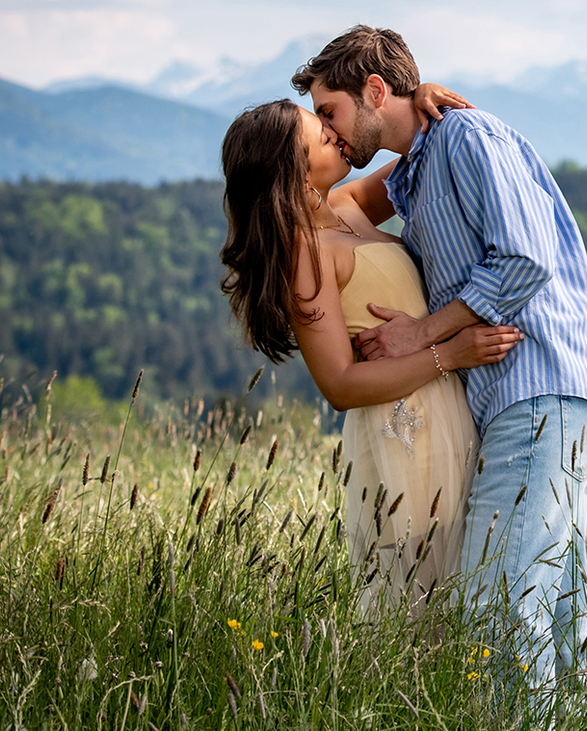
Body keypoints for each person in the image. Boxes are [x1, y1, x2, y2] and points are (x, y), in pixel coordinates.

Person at [290, 26, 587, 703]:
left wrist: (427, 336)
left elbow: (526, 259)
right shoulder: (417, 167)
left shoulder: (467, 138)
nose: (330, 131)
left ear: (374, 91)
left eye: (331, 111)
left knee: (499, 601)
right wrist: (417, 106)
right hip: (507, 397)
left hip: (539, 382)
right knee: (556, 603)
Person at [220, 94, 524, 609]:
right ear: (292, 166)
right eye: (320, 134)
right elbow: (339, 384)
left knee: (470, 596)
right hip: (405, 435)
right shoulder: (304, 255)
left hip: (453, 414)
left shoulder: (347, 206)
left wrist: (418, 96)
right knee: (421, 605)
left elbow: (417, 153)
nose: (336, 135)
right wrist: (449, 355)